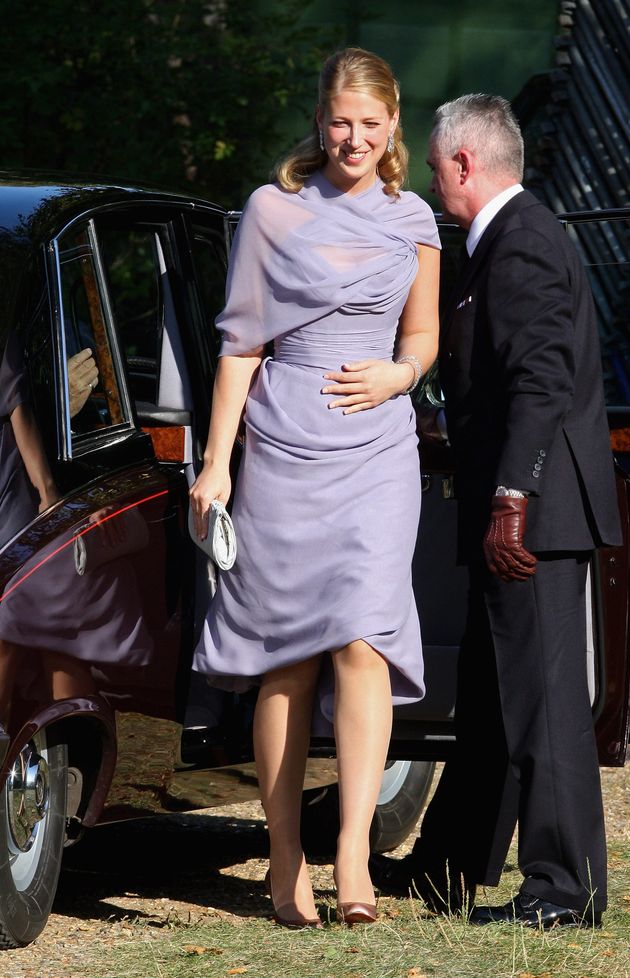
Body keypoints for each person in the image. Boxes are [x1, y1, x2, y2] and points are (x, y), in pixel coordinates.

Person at [189, 48, 440, 928]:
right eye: (341, 122)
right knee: (288, 655)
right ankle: (286, 855)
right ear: (320, 120)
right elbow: (241, 346)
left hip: (378, 450)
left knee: (365, 640)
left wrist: (399, 375)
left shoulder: (414, 218)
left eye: (371, 124)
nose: (354, 139)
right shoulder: (272, 210)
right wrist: (216, 463)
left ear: (394, 123)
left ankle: (355, 856)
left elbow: (424, 334)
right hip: (284, 446)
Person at [371, 94, 622, 929]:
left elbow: (542, 381)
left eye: (434, 165)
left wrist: (514, 496)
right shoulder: (505, 241)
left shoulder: (522, 243)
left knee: (543, 705)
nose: (431, 179)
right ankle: (447, 868)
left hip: (533, 516)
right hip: (517, 509)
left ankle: (564, 892)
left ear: (464, 162)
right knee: (491, 699)